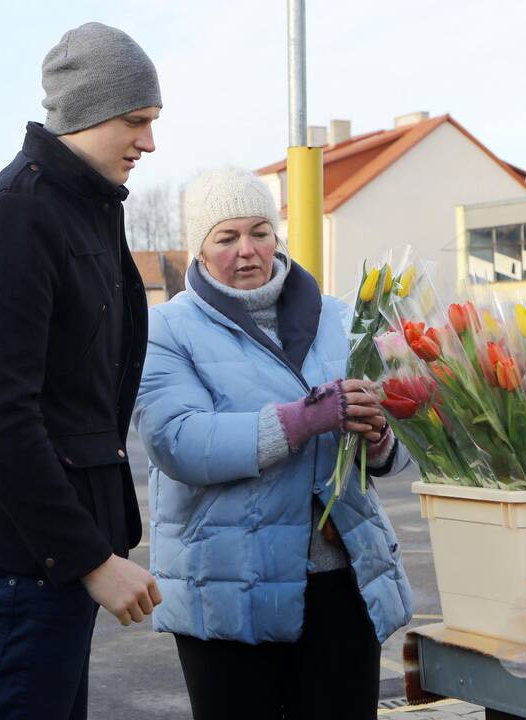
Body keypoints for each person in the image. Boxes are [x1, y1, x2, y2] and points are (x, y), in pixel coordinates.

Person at [0, 22, 162, 719]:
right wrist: (92, 560)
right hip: (20, 562)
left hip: (52, 560)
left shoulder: (86, 209)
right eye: (135, 120)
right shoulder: (17, 215)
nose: (149, 142)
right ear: (88, 111)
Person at [134, 167, 413, 720]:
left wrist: (379, 432)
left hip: (341, 580)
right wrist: (303, 419)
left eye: (260, 231)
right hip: (228, 586)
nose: (247, 251)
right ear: (199, 247)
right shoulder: (165, 328)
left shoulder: (342, 317)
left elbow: (402, 444)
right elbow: (179, 441)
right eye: (226, 237)